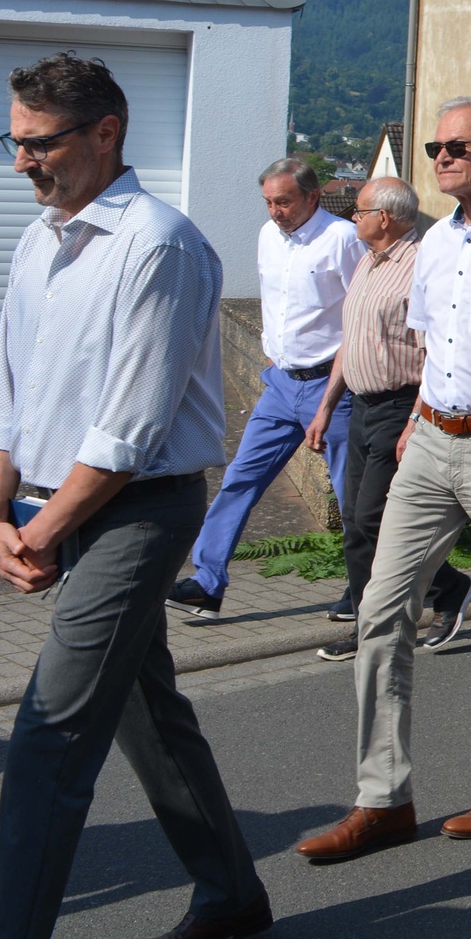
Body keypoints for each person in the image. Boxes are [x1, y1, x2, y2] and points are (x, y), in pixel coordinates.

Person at [0, 54, 272, 939]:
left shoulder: (159, 244)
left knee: (48, 738)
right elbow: (8, 391)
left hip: (136, 512)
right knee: (150, 719)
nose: (21, 161)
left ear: (105, 133)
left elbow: (128, 432)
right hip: (55, 508)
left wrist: (41, 532)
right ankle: (232, 896)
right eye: (16, 141)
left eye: (39, 144)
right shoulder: (41, 238)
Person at [295, 96, 471, 863]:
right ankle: (382, 799)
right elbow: (432, 347)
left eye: (457, 146)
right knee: (380, 610)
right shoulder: (436, 243)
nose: (443, 158)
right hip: (430, 439)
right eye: (435, 148)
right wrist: (417, 425)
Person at [166, 158, 365, 621]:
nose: (275, 211)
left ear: (312, 197)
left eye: (284, 202)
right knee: (241, 478)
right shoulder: (267, 236)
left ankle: (367, 588)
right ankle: (207, 584)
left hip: (332, 387)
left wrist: (331, 394)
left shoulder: (343, 239)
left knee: (351, 495)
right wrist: (272, 352)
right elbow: (274, 301)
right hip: (280, 384)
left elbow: (362, 318)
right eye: (269, 202)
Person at [305, 177, 471, 664]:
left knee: (374, 517)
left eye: (359, 211)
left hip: (401, 407)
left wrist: (415, 419)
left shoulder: (420, 266)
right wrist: (326, 407)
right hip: (360, 407)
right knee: (355, 523)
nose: (352, 218)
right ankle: (369, 627)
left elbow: (435, 350)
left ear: (384, 217)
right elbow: (352, 341)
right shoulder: (366, 262)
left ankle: (447, 588)